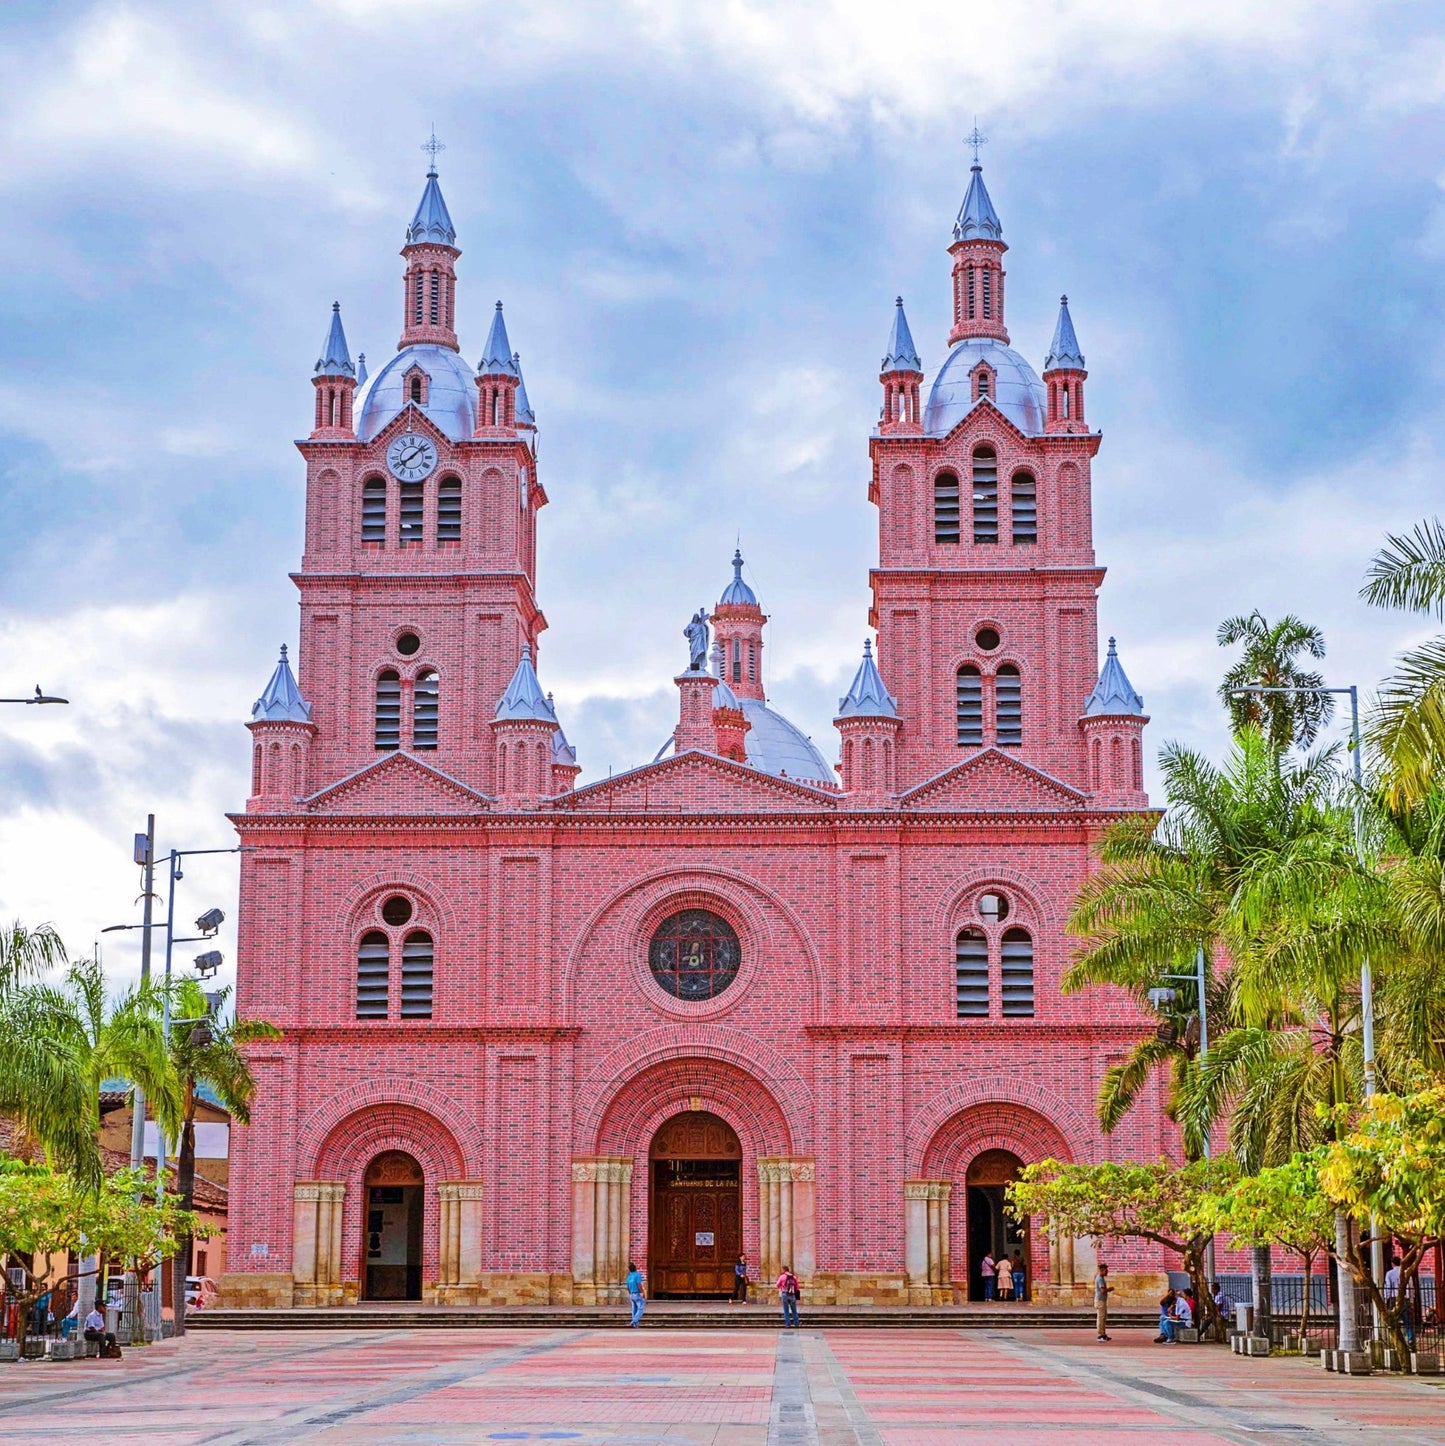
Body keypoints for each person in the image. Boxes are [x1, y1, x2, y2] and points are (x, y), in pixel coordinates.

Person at [1094, 1262, 1112, 1341]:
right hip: (1100, 1300)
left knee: (1103, 1317)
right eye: (1106, 1270)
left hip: (1101, 1300)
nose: (1107, 1272)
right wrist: (1109, 1289)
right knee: (1101, 1318)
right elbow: (1102, 1290)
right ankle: (1101, 1334)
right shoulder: (1100, 1278)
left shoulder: (1100, 1278)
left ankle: (1103, 1334)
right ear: (1102, 1270)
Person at [625, 1261, 645, 1328]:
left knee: (634, 1309)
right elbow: (639, 1284)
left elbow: (627, 1287)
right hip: (637, 1294)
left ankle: (635, 1325)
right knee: (641, 1308)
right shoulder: (637, 1275)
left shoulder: (629, 1276)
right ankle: (634, 1320)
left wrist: (630, 1293)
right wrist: (642, 1292)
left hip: (631, 1294)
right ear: (635, 1268)